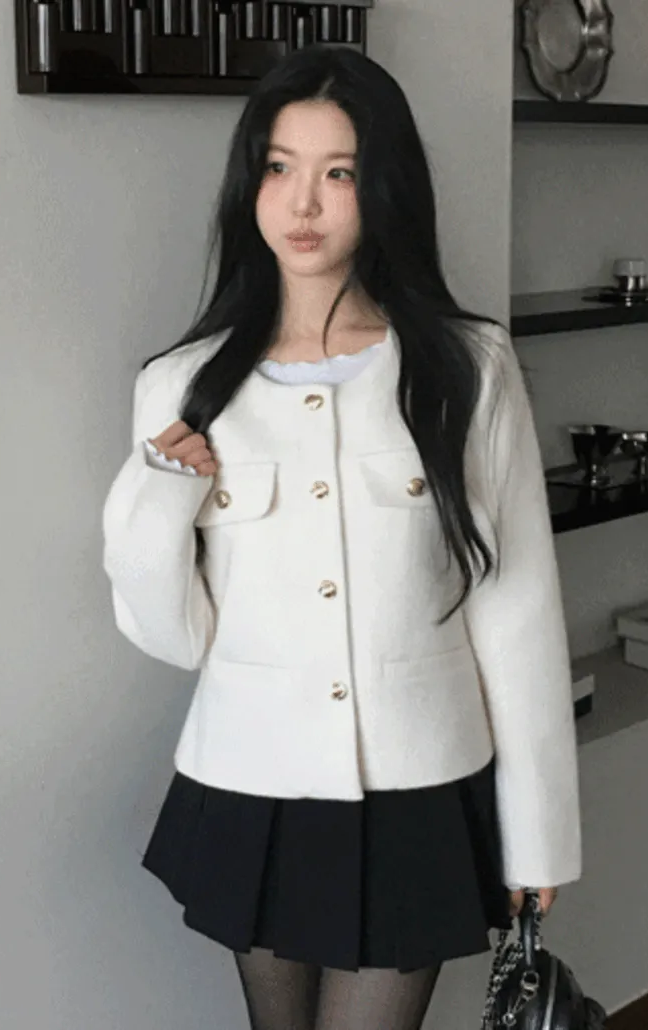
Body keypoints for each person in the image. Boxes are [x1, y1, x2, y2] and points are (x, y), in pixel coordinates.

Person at [101, 44, 581, 1030]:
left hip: (417, 786)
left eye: (340, 172)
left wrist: (539, 837)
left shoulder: (467, 366)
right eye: (279, 167)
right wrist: (159, 497)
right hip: (254, 784)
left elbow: (518, 608)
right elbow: (177, 637)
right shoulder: (181, 385)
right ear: (250, 185)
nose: (303, 202)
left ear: (383, 186)